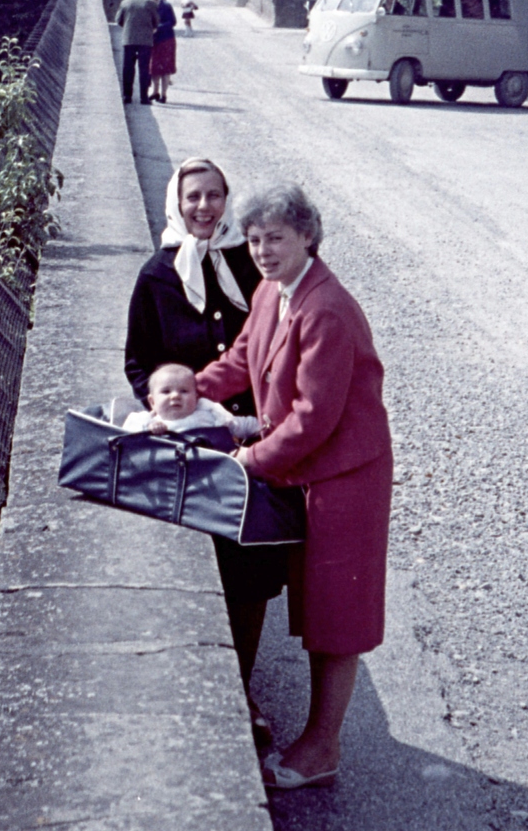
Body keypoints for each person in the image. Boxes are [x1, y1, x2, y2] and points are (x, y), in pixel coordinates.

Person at [196, 183, 392, 792]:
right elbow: (241, 361)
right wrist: (181, 391)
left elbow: (313, 417)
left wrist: (249, 459)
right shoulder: (271, 291)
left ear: (308, 235)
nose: (261, 250)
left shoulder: (325, 308)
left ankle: (322, 747)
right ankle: (315, 738)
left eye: (275, 238)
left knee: (337, 617)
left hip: (344, 477)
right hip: (310, 470)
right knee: (315, 608)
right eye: (253, 239)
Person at [124, 158, 285, 746]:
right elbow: (138, 361)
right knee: (203, 560)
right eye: (194, 196)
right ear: (177, 201)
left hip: (248, 440)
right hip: (184, 444)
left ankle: (242, 688)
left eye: (215, 196)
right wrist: (169, 407)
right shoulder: (156, 276)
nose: (205, 207)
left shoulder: (249, 263)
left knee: (253, 559)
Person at [122, 362, 259, 439]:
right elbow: (128, 441)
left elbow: (238, 425)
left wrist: (264, 426)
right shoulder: (147, 421)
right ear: (152, 402)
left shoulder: (209, 413)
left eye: (184, 391)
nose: (175, 396)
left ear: (196, 397)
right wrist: (149, 431)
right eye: (166, 391)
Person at [116, 0, 160, 104]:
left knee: (127, 68)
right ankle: (143, 97)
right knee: (144, 69)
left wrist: (128, 28)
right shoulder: (151, 3)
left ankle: (127, 96)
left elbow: (118, 20)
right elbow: (156, 22)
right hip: (145, 40)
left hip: (128, 39)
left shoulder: (126, 1)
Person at [150, 0, 177, 103]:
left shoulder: (166, 6)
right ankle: (155, 92)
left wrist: (158, 28)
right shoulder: (149, 5)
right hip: (154, 41)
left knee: (166, 68)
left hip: (166, 40)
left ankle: (164, 95)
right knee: (154, 68)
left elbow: (173, 22)